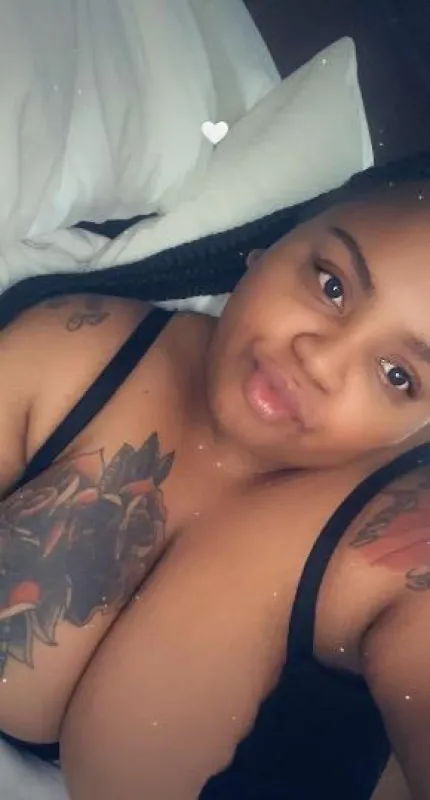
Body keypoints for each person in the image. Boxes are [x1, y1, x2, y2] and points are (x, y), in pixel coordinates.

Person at [1, 154, 430, 800]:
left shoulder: (396, 547)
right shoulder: (72, 348)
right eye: (332, 285)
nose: (319, 360)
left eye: (398, 376)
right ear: (271, 244)